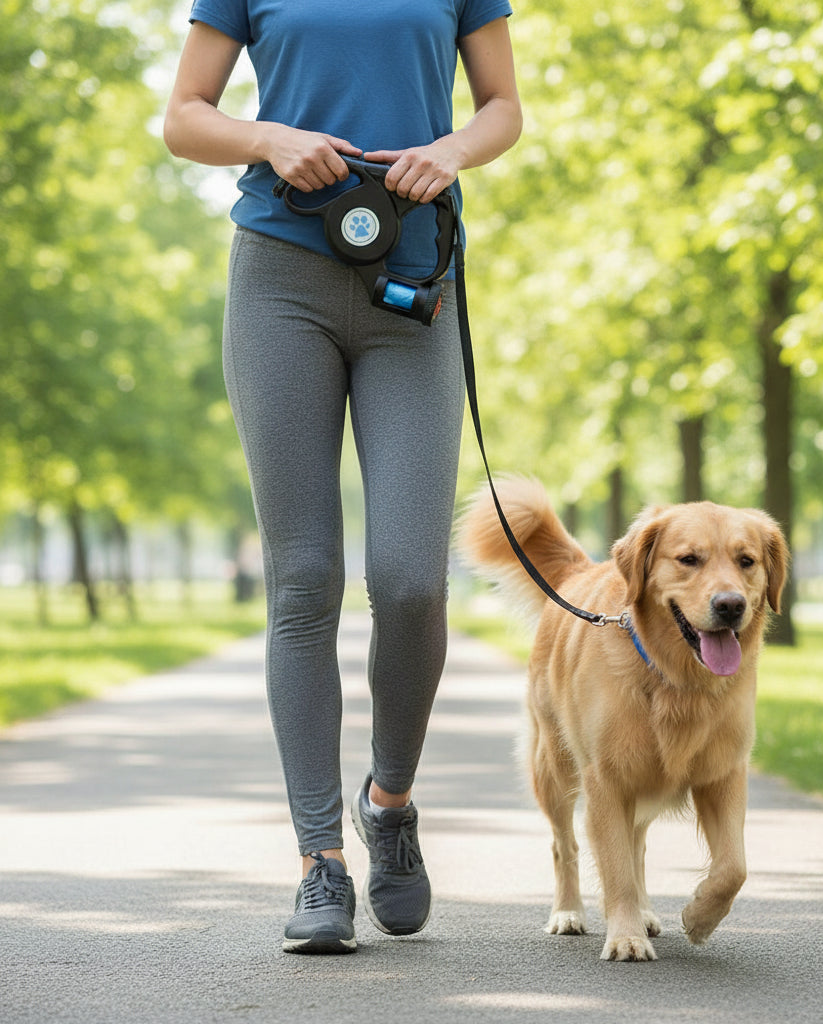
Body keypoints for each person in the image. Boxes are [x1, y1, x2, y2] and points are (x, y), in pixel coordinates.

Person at [164, 1, 521, 954]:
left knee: (409, 578)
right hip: (281, 274)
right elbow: (186, 114)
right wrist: (271, 137)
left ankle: (388, 804)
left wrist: (448, 152)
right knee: (304, 576)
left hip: (415, 276)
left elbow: (502, 107)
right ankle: (320, 861)